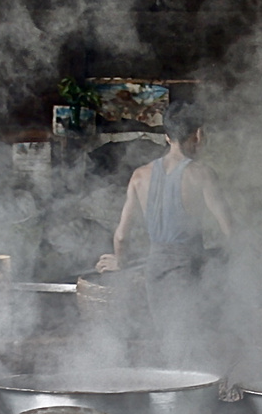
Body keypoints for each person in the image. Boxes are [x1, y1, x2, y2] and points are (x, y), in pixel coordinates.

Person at [96, 104, 233, 362]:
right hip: (189, 269)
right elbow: (230, 232)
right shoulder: (201, 174)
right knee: (190, 343)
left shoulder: (139, 176)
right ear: (199, 135)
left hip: (155, 269)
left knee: (168, 339)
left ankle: (171, 392)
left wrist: (119, 261)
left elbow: (121, 236)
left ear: (166, 136)